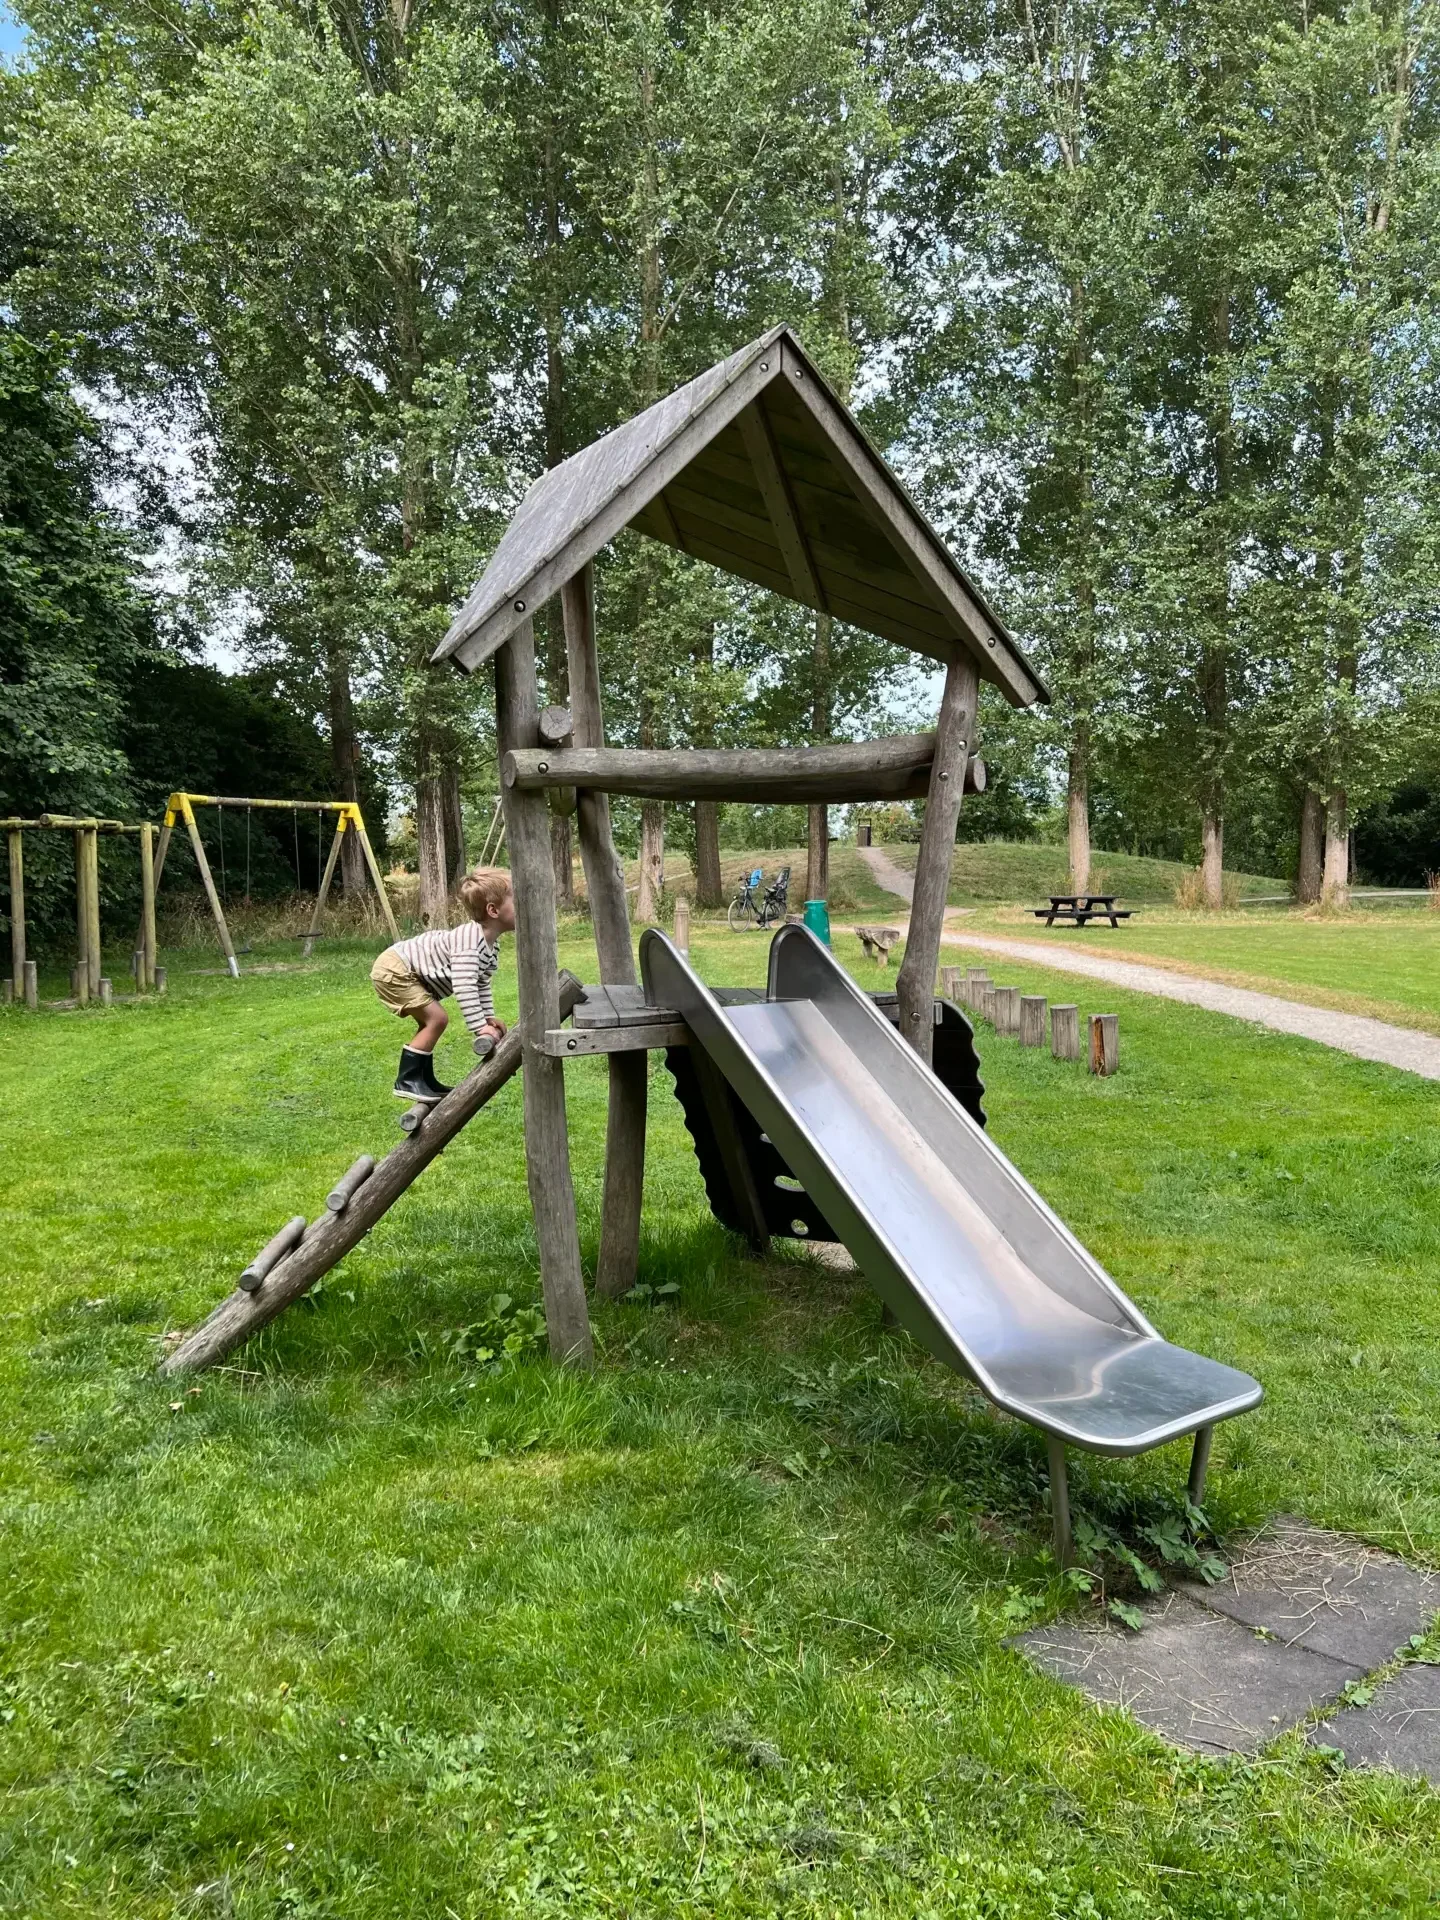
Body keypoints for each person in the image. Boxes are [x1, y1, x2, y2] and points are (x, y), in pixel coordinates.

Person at [370, 865, 513, 1102]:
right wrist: (479, 1027)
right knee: (437, 1019)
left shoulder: (490, 946)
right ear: (493, 910)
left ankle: (423, 1079)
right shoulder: (470, 941)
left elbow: (481, 983)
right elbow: (464, 985)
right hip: (396, 969)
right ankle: (407, 1081)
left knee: (432, 1021)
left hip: (406, 971)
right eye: (516, 901)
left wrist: (488, 1018)